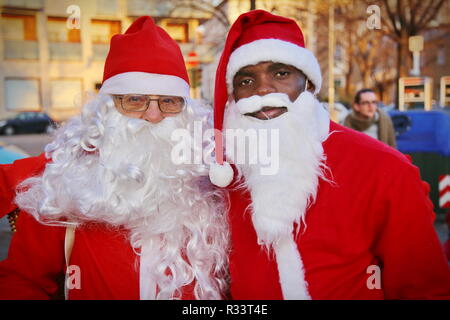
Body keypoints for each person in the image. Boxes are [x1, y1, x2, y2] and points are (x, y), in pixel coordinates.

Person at [208, 10, 450, 299]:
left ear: (308, 83)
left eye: (281, 73)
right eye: (246, 81)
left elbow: (423, 287)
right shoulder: (222, 176)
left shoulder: (383, 167)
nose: (262, 89)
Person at [0, 16, 229, 300]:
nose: (153, 115)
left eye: (169, 101)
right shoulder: (65, 183)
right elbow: (22, 281)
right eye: (135, 100)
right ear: (106, 110)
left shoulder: (215, 179)